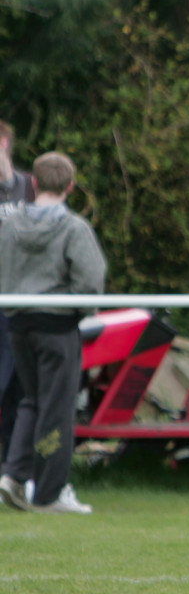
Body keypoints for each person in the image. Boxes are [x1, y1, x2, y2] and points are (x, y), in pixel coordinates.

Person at [0, 151, 107, 514]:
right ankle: (49, 492)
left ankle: (13, 474)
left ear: (33, 182)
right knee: (57, 409)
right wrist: (79, 310)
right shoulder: (74, 228)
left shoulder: (9, 226)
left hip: (17, 325)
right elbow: (91, 282)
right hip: (56, 327)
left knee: (30, 400)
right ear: (70, 186)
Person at [0, 119, 35, 462]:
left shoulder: (30, 187)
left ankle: (13, 467)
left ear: (5, 144)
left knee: (18, 389)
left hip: (24, 300)